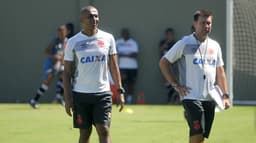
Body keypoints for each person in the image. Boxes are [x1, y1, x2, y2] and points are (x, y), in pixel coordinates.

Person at [159, 9, 231, 143]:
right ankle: (189, 113)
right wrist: (175, 84)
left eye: (209, 23)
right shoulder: (184, 43)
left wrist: (225, 95)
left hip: (210, 97)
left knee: (201, 136)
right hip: (190, 96)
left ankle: (189, 116)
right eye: (203, 23)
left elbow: (220, 71)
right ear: (195, 23)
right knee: (197, 132)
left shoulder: (215, 46)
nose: (206, 26)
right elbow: (164, 62)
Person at [63, 6, 125, 143]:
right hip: (80, 95)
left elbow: (114, 67)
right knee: (85, 133)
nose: (94, 19)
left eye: (96, 16)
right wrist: (68, 98)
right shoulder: (73, 42)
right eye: (90, 16)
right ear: (82, 20)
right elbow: (66, 73)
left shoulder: (108, 38)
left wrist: (120, 91)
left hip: (102, 94)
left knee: (104, 129)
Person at [29, 24, 68, 108]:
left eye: (62, 32)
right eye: (59, 32)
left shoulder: (67, 41)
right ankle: (34, 100)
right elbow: (46, 51)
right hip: (51, 65)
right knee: (48, 81)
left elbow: (66, 54)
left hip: (60, 65)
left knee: (64, 76)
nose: (60, 34)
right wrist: (56, 57)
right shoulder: (55, 41)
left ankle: (58, 96)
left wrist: (63, 60)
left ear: (66, 32)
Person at [116, 28, 139, 104]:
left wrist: (123, 54)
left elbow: (135, 54)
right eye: (123, 33)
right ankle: (121, 99)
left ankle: (129, 100)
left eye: (126, 33)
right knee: (122, 83)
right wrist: (128, 54)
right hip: (122, 67)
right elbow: (116, 54)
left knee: (130, 84)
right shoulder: (118, 42)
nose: (125, 34)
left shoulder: (133, 43)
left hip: (132, 67)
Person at [159, 28, 179, 104]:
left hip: (173, 66)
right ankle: (170, 100)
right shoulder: (162, 42)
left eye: (171, 34)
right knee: (167, 84)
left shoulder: (175, 44)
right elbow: (161, 49)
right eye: (168, 34)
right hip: (165, 66)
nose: (170, 36)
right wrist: (167, 42)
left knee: (174, 83)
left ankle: (174, 100)